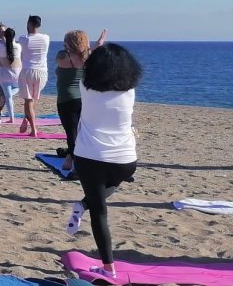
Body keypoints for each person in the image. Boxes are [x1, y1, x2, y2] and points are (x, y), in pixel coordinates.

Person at [66, 43, 142, 280]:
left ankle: (108, 267)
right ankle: (84, 205)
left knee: (100, 212)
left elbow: (84, 66)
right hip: (125, 159)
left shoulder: (85, 88)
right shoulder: (129, 93)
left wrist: (92, 50)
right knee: (116, 182)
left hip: (90, 157)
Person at [57, 29, 108, 172]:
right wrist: (96, 45)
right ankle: (73, 157)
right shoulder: (88, 57)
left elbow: (62, 55)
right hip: (84, 99)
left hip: (66, 99)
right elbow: (86, 53)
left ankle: (72, 161)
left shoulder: (63, 56)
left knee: (71, 132)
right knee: (81, 131)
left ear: (69, 43)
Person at [17, 15, 51, 137]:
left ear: (29, 24)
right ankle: (26, 120)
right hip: (42, 73)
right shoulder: (46, 38)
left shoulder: (23, 38)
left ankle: (33, 129)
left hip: (27, 71)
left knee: (29, 101)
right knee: (32, 100)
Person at [0, 28, 22, 125]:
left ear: (4, 36)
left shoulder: (1, 46)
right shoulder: (18, 46)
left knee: (8, 96)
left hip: (4, 73)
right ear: (14, 36)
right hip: (17, 73)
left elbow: (1, 58)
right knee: (17, 88)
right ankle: (10, 95)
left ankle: (12, 118)